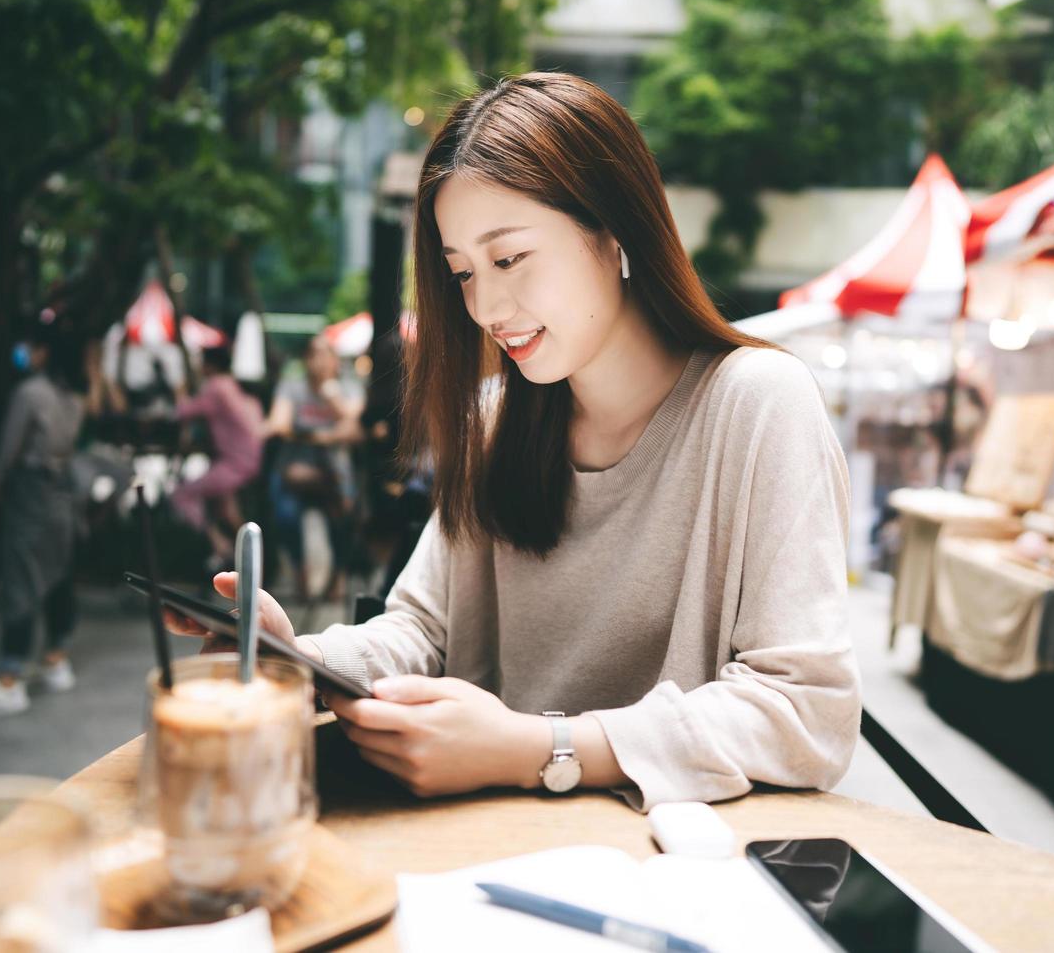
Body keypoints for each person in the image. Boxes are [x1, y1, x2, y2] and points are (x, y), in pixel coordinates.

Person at [165, 73, 858, 812]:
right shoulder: (495, 417)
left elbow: (805, 712)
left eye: (509, 259)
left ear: (614, 229)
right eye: (461, 271)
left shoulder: (756, 405)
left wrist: (541, 750)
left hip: (677, 881)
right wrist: (302, 660)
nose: (485, 306)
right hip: (488, 859)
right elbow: (424, 630)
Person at [0, 319, 87, 721]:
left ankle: (9, 678)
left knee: (20, 579)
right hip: (61, 493)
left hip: (29, 492)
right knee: (59, 572)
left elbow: (9, 449)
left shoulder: (30, 393)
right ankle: (56, 658)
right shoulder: (73, 397)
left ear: (43, 350)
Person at [264, 334, 363, 602]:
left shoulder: (347, 386)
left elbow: (355, 428)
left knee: (345, 517)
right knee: (286, 515)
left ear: (334, 360)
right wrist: (330, 433)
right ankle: (300, 571)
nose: (317, 361)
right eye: (312, 354)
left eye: (324, 354)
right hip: (294, 470)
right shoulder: (292, 387)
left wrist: (331, 396)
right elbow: (278, 423)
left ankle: (337, 577)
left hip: (334, 474)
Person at [170, 344, 264, 570]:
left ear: (209, 365)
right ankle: (254, 559)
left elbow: (183, 412)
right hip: (247, 459)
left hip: (235, 463)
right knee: (227, 510)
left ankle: (220, 546)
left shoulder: (216, 387)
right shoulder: (231, 385)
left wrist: (179, 390)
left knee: (182, 496)